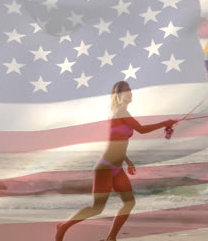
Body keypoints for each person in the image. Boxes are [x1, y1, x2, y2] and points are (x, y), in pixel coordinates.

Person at [55, 81, 178, 241]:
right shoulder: (120, 112)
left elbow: (118, 140)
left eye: (130, 89)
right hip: (105, 167)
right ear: (119, 95)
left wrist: (127, 160)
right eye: (126, 90)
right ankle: (63, 226)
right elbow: (142, 129)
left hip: (117, 167)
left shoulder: (121, 112)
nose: (130, 92)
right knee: (97, 208)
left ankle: (111, 237)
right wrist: (165, 123)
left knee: (129, 202)